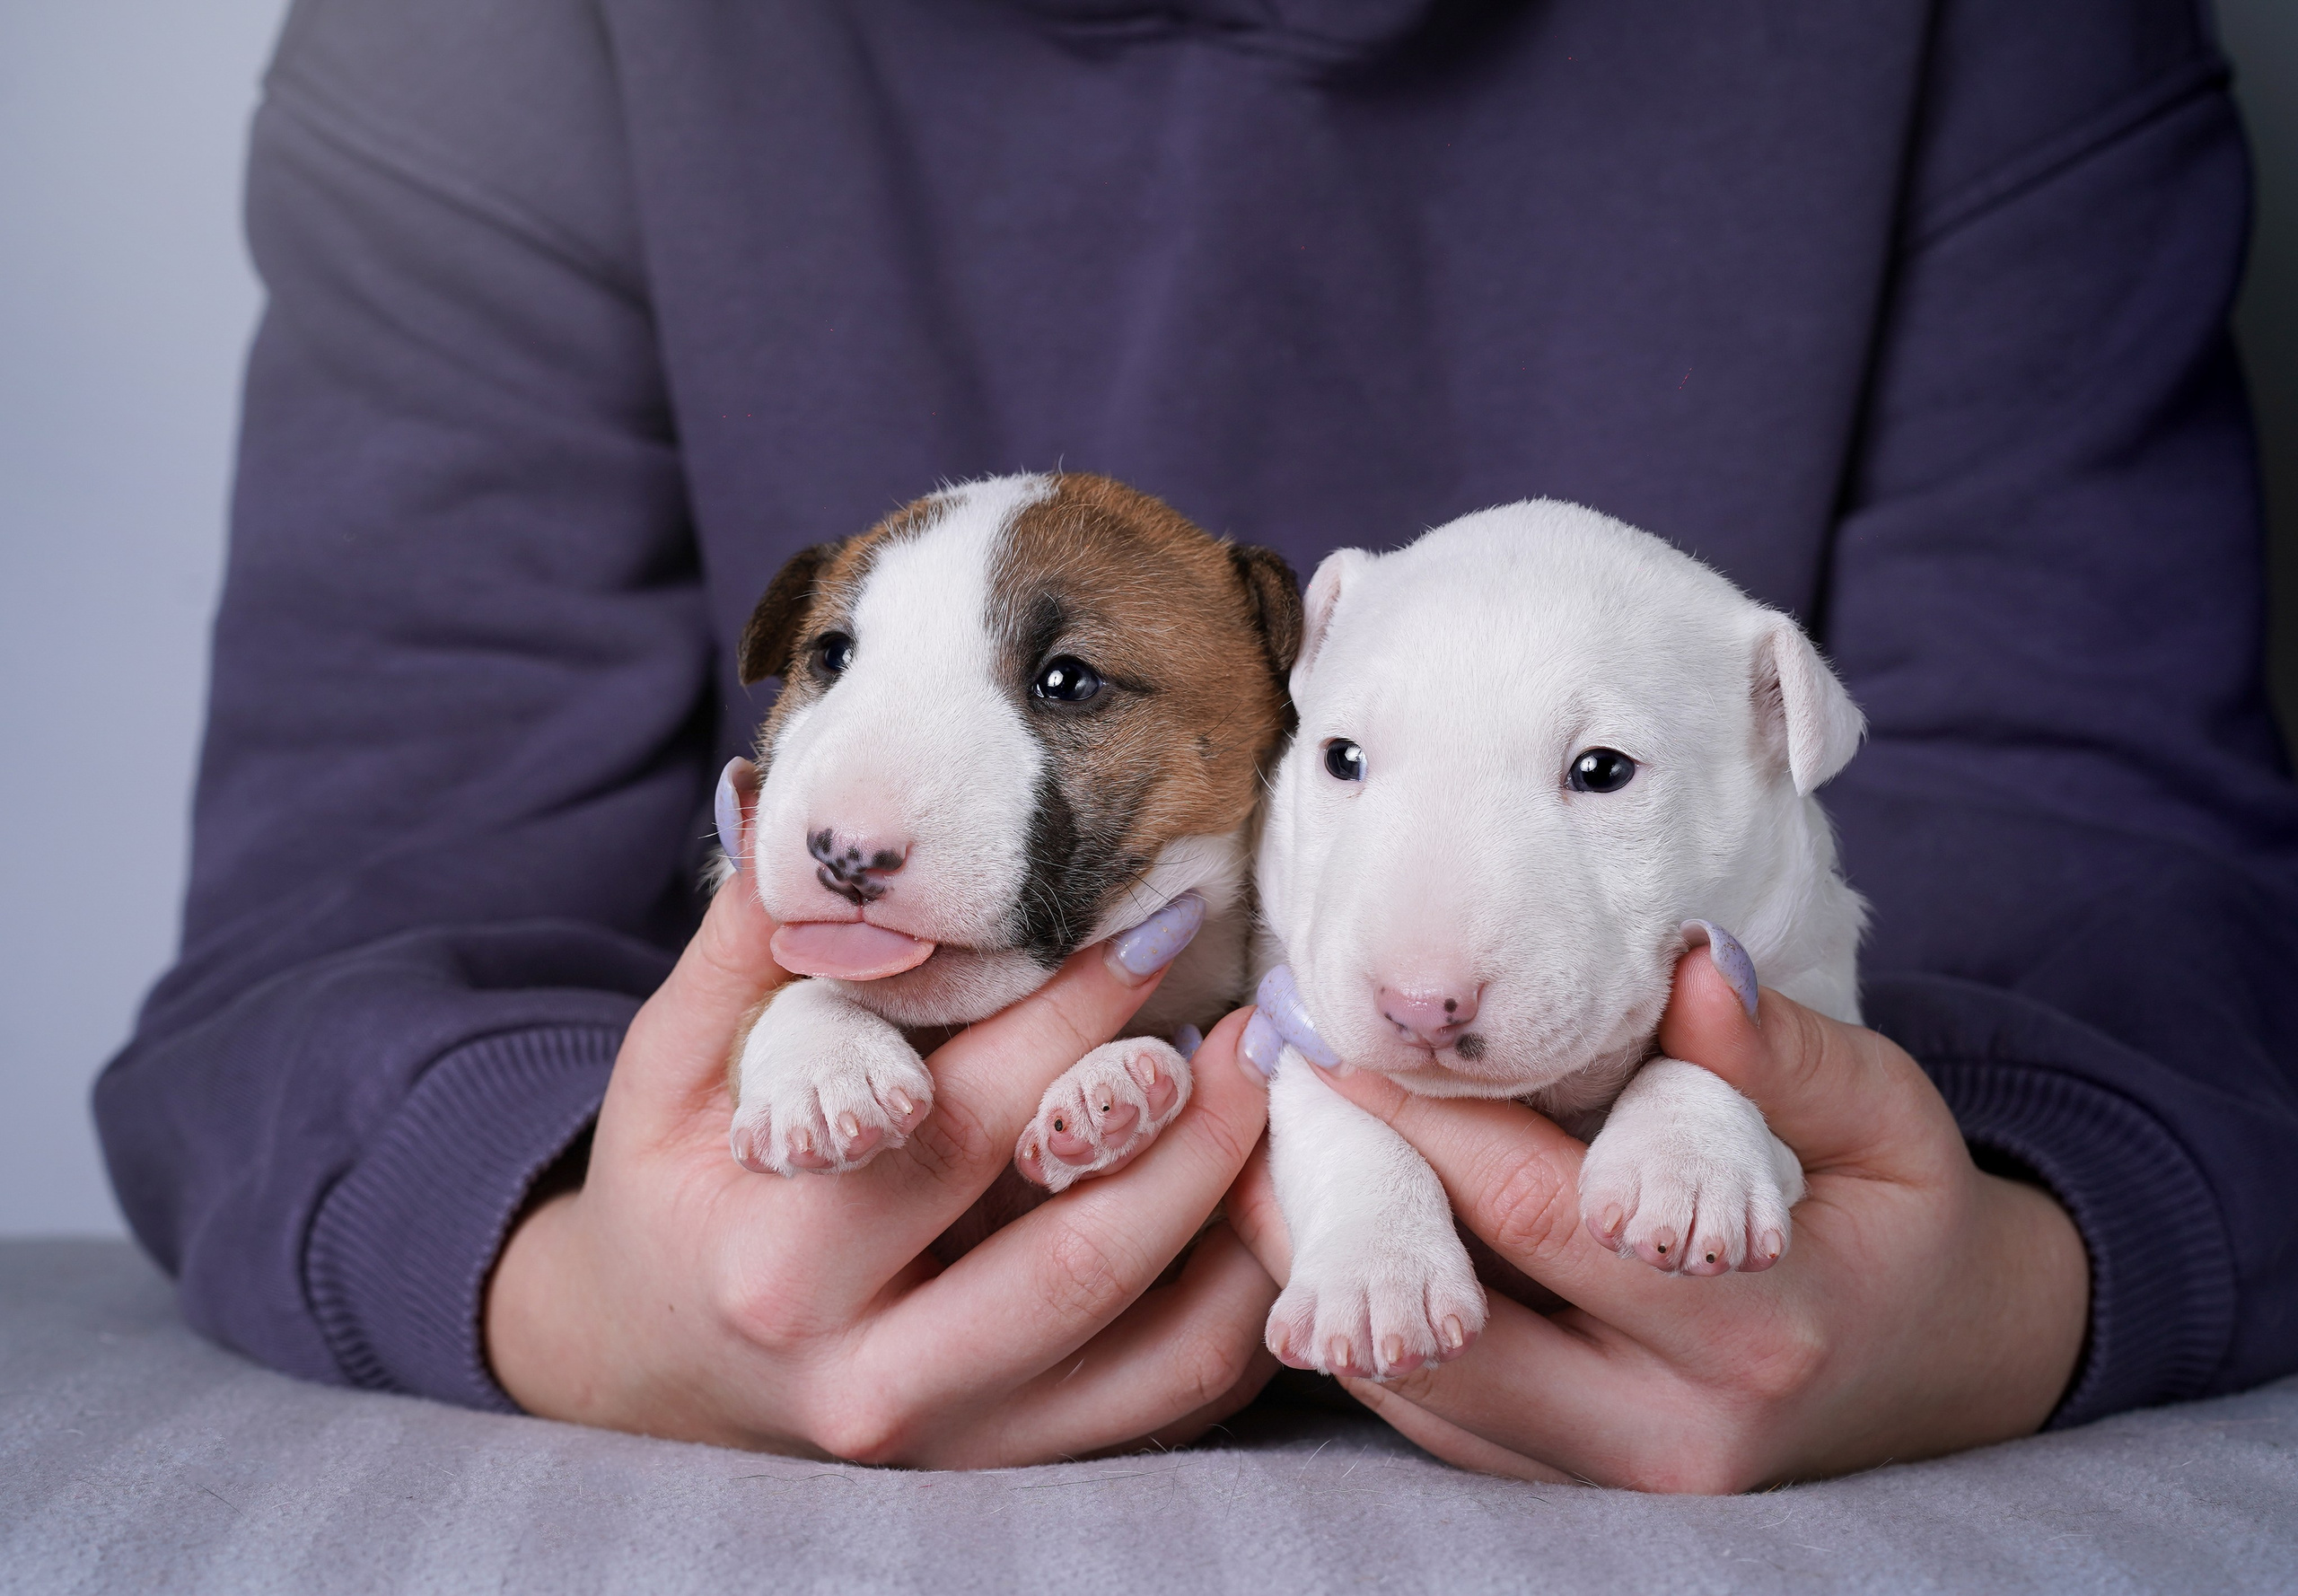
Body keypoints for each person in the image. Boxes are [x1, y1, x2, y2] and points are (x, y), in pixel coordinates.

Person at [97, 0, 2298, 1486]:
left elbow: (2121, 894)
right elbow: (331, 938)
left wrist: (2013, 1274)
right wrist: (574, 1278)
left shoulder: (1993, 39)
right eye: (833, 662)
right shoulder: (490, 41)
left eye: (1067, 687)